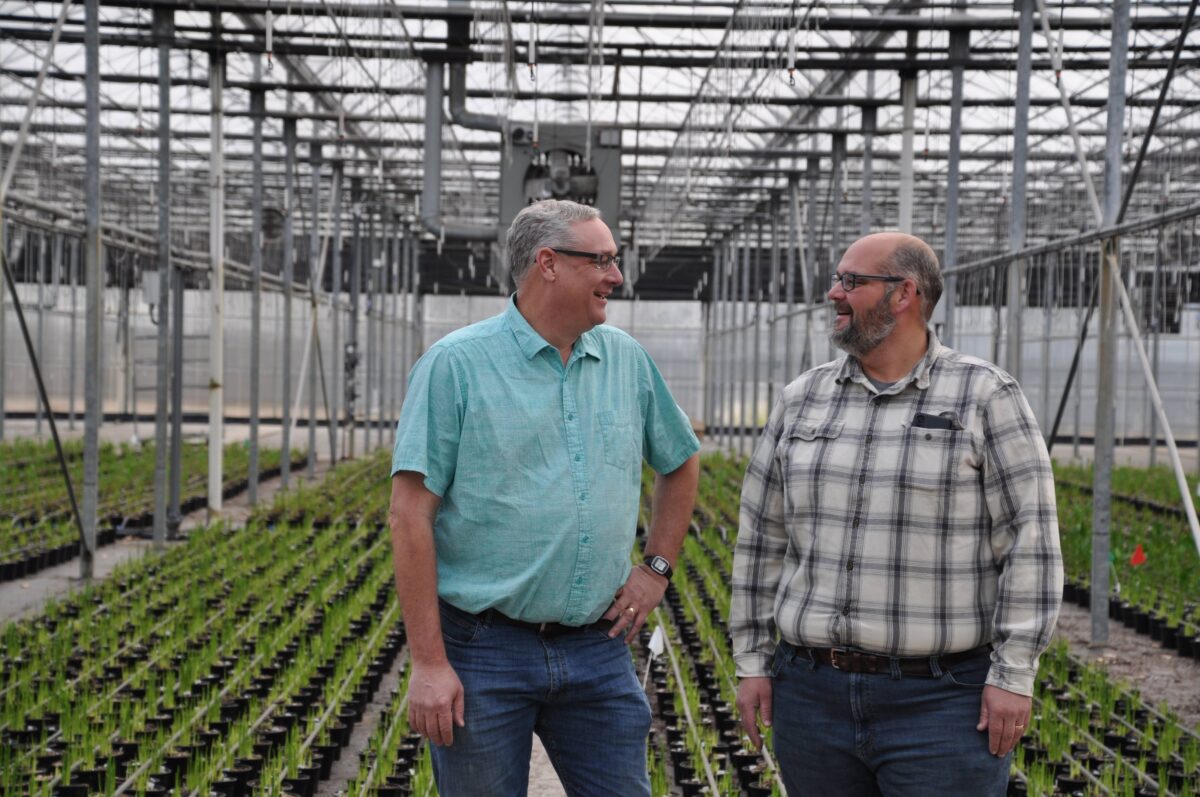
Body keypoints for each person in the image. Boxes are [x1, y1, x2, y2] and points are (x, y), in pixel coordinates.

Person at [730, 232, 1062, 796]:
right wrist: (752, 661)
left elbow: (1030, 544)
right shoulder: (801, 399)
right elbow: (761, 541)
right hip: (811, 694)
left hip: (941, 702)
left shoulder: (984, 396)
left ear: (905, 293)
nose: (834, 294)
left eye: (850, 282)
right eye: (837, 279)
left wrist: (1014, 674)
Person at [388, 199, 700, 797]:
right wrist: (429, 663)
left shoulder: (626, 360)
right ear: (548, 263)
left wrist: (657, 569)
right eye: (602, 261)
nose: (617, 277)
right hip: (484, 649)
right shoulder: (456, 365)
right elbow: (409, 516)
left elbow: (681, 461)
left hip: (598, 648)